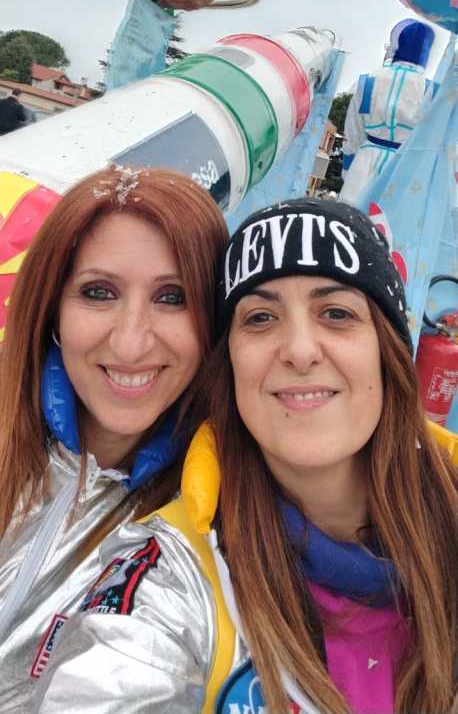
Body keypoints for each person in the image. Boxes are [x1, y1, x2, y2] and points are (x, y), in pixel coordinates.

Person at [31, 196, 457, 714]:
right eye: (260, 317)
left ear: (387, 350)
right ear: (229, 365)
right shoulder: (170, 582)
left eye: (336, 313)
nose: (300, 350)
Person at [0, 163, 228, 711]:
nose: (129, 343)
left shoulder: (212, 532)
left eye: (172, 297)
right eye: (99, 292)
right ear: (53, 308)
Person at [340, 18, 435, 206]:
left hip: (364, 165)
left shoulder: (368, 81)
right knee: (391, 219)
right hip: (404, 168)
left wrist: (348, 165)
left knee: (352, 217)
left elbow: (353, 131)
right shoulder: (432, 91)